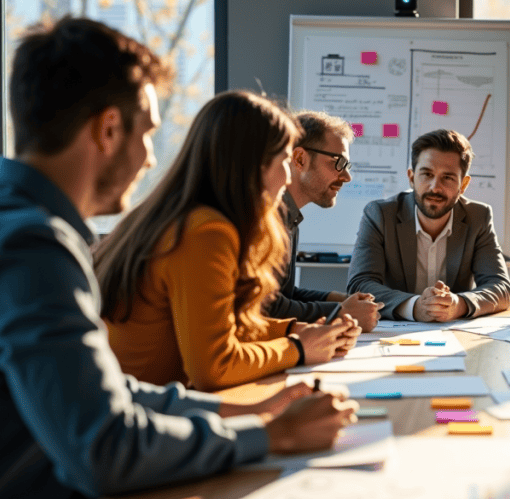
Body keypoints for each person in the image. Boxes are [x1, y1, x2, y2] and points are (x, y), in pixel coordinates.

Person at [0, 17, 356, 499]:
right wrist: (266, 435)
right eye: (149, 132)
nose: (153, 157)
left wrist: (240, 411)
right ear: (108, 130)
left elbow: (108, 394)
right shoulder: (29, 246)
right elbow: (105, 449)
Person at [95, 92, 361, 392]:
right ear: (252, 163)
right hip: (148, 415)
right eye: (284, 161)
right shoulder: (205, 232)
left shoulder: (186, 218)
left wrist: (295, 330)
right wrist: (298, 347)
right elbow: (215, 366)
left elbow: (226, 326)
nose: (288, 178)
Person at [347, 128, 510, 321]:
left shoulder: (478, 217)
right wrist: (414, 306)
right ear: (411, 177)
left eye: (448, 177)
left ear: (463, 185)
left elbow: (501, 289)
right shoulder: (380, 215)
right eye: (426, 174)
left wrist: (458, 305)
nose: (435, 187)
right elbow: (359, 285)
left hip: (454, 334)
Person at [262, 110, 382, 332]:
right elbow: (268, 308)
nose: (347, 177)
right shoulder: (268, 218)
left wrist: (339, 300)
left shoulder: (290, 216)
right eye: (338, 163)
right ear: (300, 159)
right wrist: (340, 312)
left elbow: (284, 295)